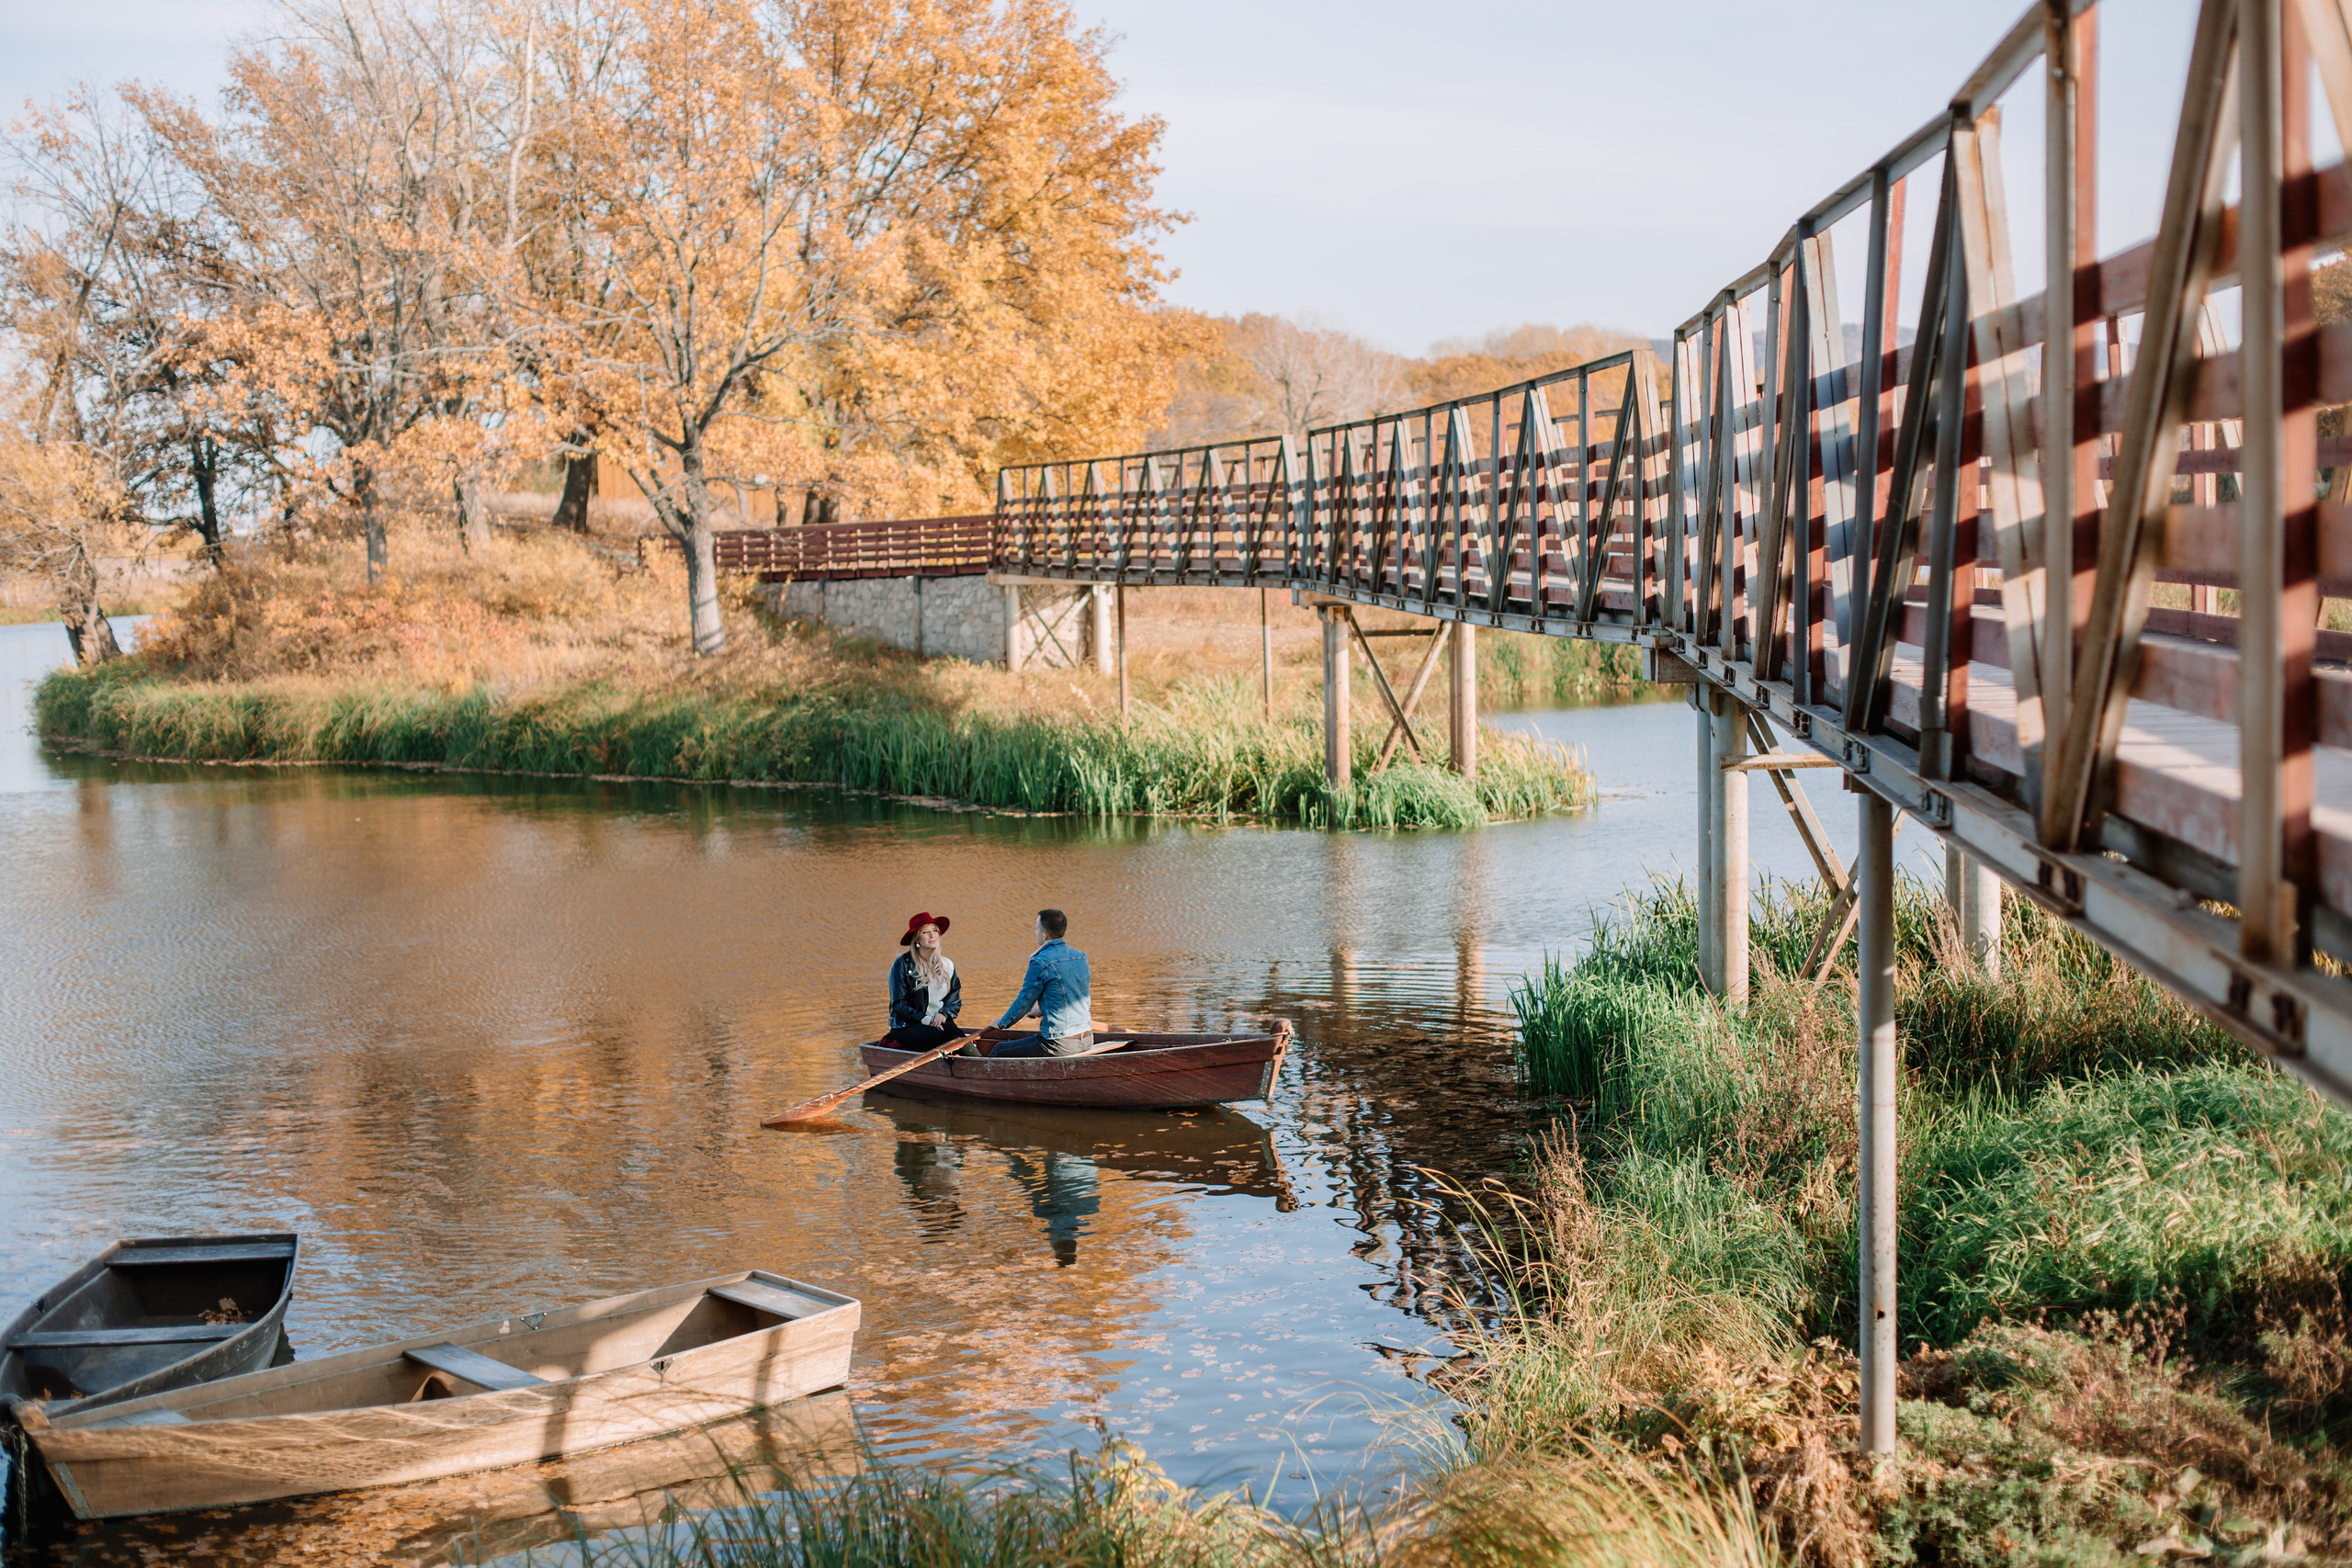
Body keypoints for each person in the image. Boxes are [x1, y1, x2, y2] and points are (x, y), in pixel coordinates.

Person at [968, 908, 1093, 1057]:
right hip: (1087, 1039)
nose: (1035, 932)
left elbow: (1024, 1001)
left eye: (1036, 928)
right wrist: (1041, 1011)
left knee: (999, 1049)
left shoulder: (1041, 961)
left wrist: (1002, 1023)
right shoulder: (1080, 957)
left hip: (1061, 1043)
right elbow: (1074, 995)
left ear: (1044, 935)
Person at [886, 912, 967, 1052]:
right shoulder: (902, 964)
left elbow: (955, 1000)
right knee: (934, 1036)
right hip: (907, 1024)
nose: (932, 935)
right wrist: (925, 1019)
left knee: (958, 1038)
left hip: (939, 1020)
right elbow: (899, 1004)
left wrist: (944, 1014)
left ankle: (978, 1065)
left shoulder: (947, 965)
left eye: (935, 931)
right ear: (917, 939)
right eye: (926, 932)